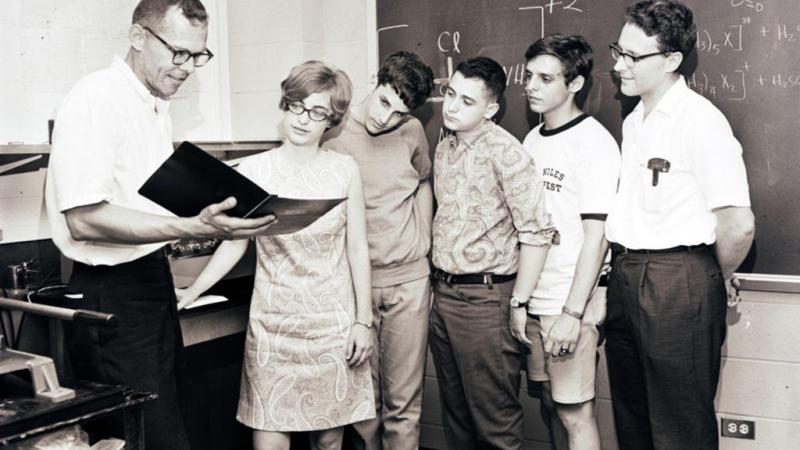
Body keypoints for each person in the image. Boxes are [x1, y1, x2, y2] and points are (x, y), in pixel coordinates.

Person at [44, 1, 275, 448]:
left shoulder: (152, 106)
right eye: (178, 53)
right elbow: (84, 219)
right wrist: (193, 227)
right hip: (110, 292)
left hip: (150, 281)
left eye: (198, 55)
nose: (188, 68)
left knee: (169, 423)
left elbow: (144, 204)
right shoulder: (95, 98)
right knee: (145, 435)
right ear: (137, 38)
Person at [177, 60, 375, 450]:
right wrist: (193, 290)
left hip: (331, 328)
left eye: (317, 112)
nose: (303, 119)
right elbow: (234, 242)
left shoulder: (345, 169)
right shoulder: (253, 172)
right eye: (297, 105)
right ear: (285, 105)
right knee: (268, 439)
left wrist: (362, 322)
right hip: (273, 328)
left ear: (330, 120)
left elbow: (357, 249)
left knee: (330, 441)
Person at [603, 1, 755, 449]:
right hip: (627, 279)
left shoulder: (700, 122)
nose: (618, 65)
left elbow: (738, 224)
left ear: (671, 60)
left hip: (678, 282)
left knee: (679, 430)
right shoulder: (634, 121)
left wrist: (711, 277)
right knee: (634, 424)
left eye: (632, 57)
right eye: (618, 51)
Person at [428, 56, 557, 450]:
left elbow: (536, 233)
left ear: (491, 109)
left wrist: (518, 301)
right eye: (451, 94)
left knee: (495, 423)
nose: (452, 106)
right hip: (444, 295)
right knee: (458, 418)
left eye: (467, 101)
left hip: (486, 301)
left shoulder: (508, 154)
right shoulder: (445, 144)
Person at [322, 51, 435, 450]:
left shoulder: (413, 132)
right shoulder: (332, 130)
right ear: (376, 80)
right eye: (385, 102)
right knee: (362, 402)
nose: (386, 118)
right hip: (353, 286)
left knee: (404, 404)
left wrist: (423, 240)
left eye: (400, 113)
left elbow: (423, 181)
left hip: (409, 282)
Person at [515, 33, 621, 450]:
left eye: (545, 78)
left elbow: (597, 237)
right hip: (537, 300)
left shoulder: (593, 143)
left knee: (575, 412)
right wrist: (522, 302)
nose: (532, 86)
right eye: (529, 76)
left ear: (574, 84)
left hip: (568, 303)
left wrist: (573, 314)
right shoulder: (532, 139)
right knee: (548, 404)